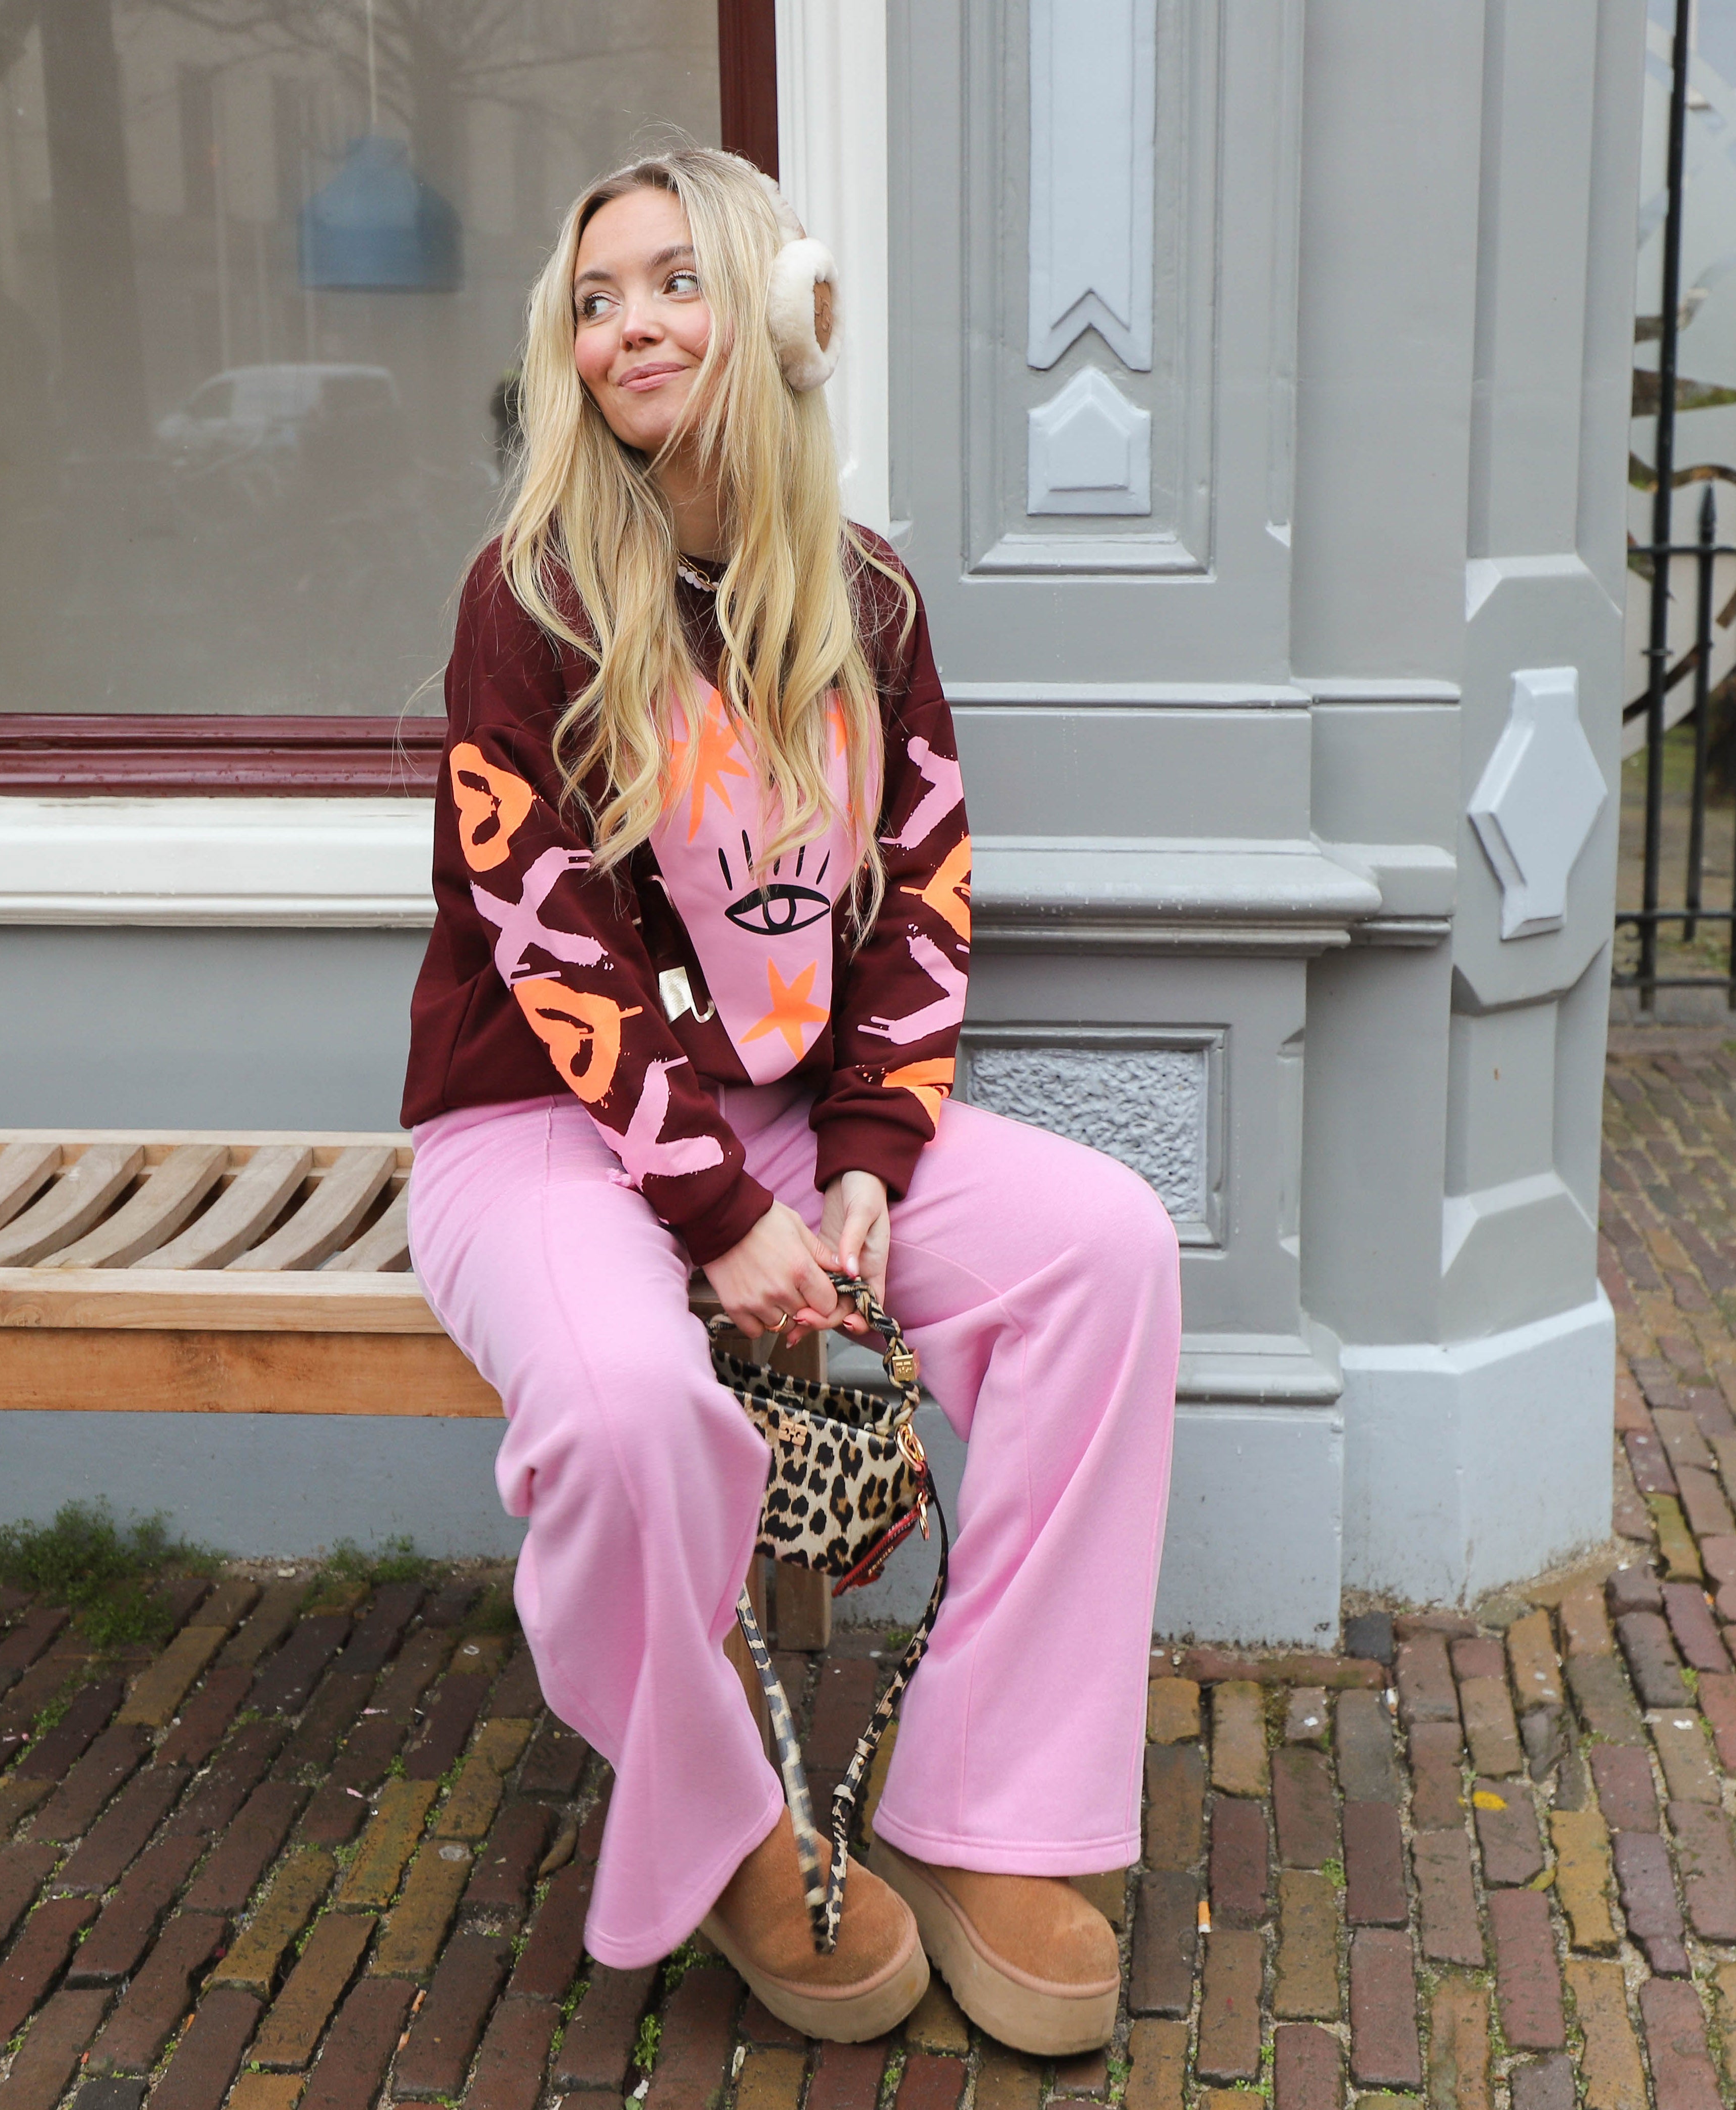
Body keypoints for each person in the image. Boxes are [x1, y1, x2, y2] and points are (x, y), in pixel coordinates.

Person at [403, 147, 1180, 2051]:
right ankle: (728, 1827)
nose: (632, 326)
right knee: (626, 1411)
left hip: (776, 1118)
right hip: (540, 1125)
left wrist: (866, 1161)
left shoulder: (867, 597)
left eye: (676, 280)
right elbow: (547, 934)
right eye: (597, 299)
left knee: (1106, 1253)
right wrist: (723, 1214)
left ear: (779, 310)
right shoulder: (531, 595)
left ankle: (985, 1808)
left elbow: (923, 885)